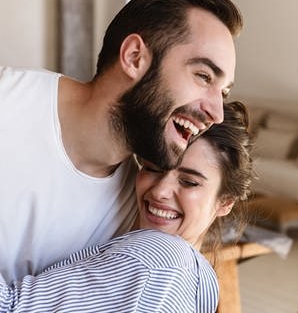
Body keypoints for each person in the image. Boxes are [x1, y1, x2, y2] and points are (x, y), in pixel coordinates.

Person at [0, 0, 243, 283]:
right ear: (134, 58)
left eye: (223, 92)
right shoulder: (9, 99)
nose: (216, 112)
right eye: (203, 76)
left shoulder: (142, 210)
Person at [0, 101, 253, 312]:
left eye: (189, 182)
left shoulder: (161, 258)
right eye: (152, 168)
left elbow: (11, 306)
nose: (160, 191)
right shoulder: (202, 282)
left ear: (225, 202)